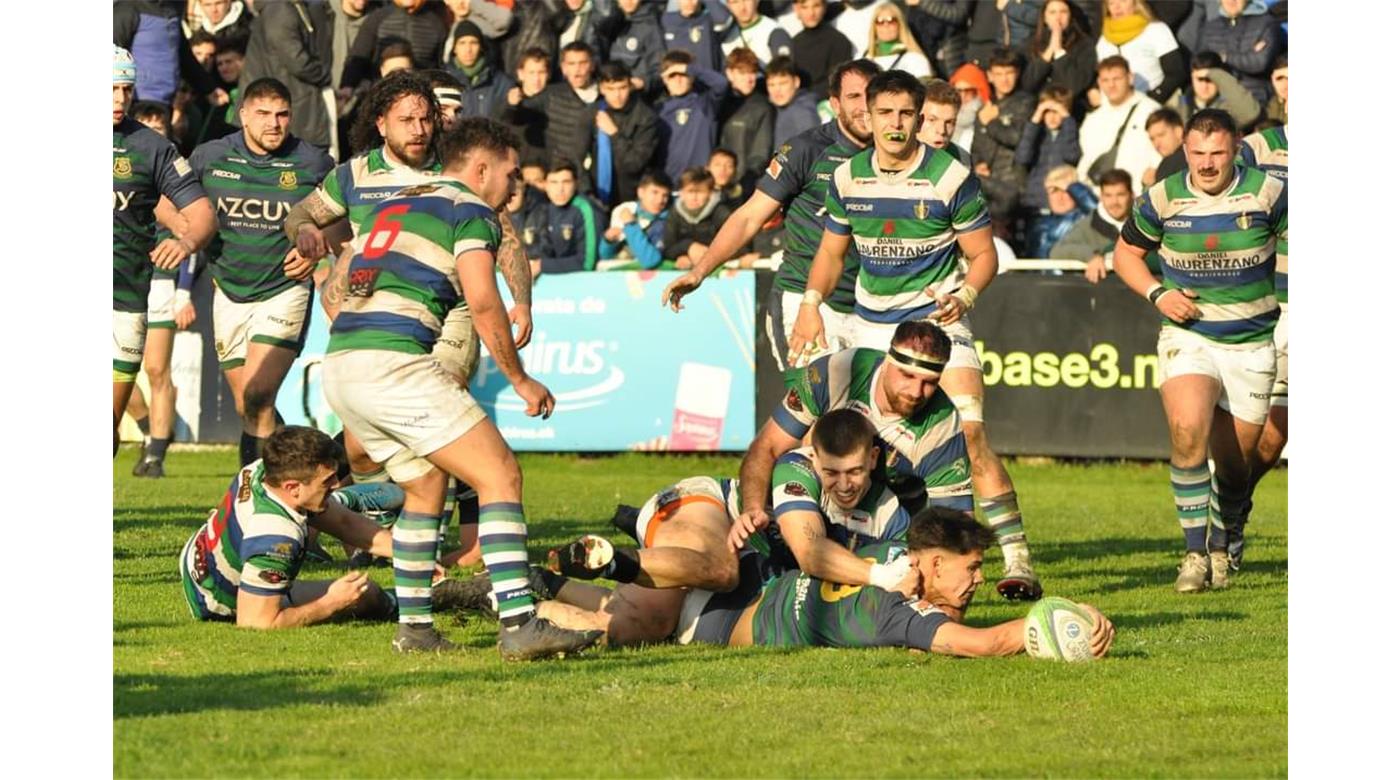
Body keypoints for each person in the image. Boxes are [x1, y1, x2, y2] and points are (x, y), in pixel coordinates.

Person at [320, 116, 602, 658]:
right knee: (500, 474)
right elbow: (483, 299)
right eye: (511, 174)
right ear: (481, 168)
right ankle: (520, 624)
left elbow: (340, 284)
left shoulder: (395, 202)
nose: (514, 189)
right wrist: (519, 378)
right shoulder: (470, 209)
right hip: (395, 363)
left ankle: (415, 630)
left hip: (342, 361)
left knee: (426, 487)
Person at [788, 72, 1043, 600]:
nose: (896, 124)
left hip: (937, 325)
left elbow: (983, 254)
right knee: (841, 442)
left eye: (906, 113)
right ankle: (830, 552)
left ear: (919, 117)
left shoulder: (950, 177)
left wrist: (965, 296)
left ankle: (1017, 558)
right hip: (872, 328)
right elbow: (831, 253)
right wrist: (811, 304)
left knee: (968, 434)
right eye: (885, 113)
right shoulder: (848, 177)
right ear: (869, 116)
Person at [537, 506, 1116, 658]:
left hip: (751, 571)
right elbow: (985, 643)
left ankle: (533, 581)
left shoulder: (891, 553)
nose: (980, 579)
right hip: (716, 621)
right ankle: (524, 604)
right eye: (973, 567)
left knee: (631, 604)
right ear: (935, 564)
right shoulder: (901, 615)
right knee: (618, 626)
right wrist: (1059, 623)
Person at [1108, 109, 1286, 593]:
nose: (1207, 164)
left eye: (1218, 153)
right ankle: (1194, 554)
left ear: (1236, 150)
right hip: (1189, 335)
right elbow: (1125, 254)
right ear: (1185, 150)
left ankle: (1225, 537)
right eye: (1198, 153)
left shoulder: (1269, 192)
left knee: (1235, 467)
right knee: (1187, 431)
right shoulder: (1162, 197)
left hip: (1252, 344)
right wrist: (1157, 293)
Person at [662, 59, 882, 373]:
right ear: (835, 104)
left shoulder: (895, 155)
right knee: (817, 401)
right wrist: (700, 271)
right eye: (854, 97)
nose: (864, 106)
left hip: (871, 307)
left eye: (871, 95)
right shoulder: (807, 150)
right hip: (804, 299)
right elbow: (749, 217)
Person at [189, 78, 336, 468]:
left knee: (258, 396)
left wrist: (318, 250)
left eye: (282, 114)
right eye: (264, 114)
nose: (274, 123)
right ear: (243, 115)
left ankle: (256, 492)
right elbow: (178, 204)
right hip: (228, 291)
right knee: (249, 406)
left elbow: (342, 222)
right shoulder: (209, 157)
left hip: (284, 288)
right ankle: (318, 468)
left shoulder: (313, 162)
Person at [179, 426, 401, 627]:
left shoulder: (262, 470)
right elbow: (254, 622)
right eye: (328, 480)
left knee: (324, 505)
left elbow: (345, 523)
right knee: (365, 594)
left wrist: (411, 554)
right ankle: (403, 605)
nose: (336, 483)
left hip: (199, 561)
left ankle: (345, 501)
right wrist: (332, 602)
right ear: (292, 487)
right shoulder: (276, 538)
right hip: (215, 600)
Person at [113, 46, 216, 457]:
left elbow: (202, 213)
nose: (120, 99)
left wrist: (185, 242)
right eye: (110, 89)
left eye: (126, 89)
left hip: (125, 300)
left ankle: (152, 447)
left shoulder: (151, 147)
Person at [1235, 121, 1287, 570]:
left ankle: (1230, 511)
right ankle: (1229, 515)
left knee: (1280, 430)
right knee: (1264, 434)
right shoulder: (1260, 148)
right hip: (1273, 302)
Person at [238, 0, 336, 155]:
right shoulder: (279, 9)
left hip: (290, 101)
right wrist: (326, 77)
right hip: (289, 103)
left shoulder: (292, 6)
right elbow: (296, 60)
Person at [515, 42, 602, 192]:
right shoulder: (551, 94)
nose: (577, 70)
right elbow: (517, 117)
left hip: (597, 181)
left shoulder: (607, 96)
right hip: (558, 182)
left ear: (592, 65)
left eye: (583, 63)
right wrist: (511, 105)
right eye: (572, 64)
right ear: (563, 67)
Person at [970, 48, 1035, 230]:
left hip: (1012, 185)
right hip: (986, 183)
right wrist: (978, 163)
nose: (1004, 79)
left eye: (1009, 73)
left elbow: (1016, 138)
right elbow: (975, 147)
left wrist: (991, 122)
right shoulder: (986, 107)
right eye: (999, 74)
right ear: (990, 76)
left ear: (1017, 73)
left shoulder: (1025, 102)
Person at [1076, 56, 1160, 189]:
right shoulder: (1092, 120)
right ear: (1099, 82)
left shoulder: (1151, 111)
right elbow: (1087, 160)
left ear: (1130, 78)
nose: (1111, 85)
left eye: (1117, 79)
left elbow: (1162, 154)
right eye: (1105, 80)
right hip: (1100, 196)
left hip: (1139, 193)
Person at [340, 0, 452, 91]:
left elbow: (440, 66)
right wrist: (347, 86)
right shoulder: (376, 19)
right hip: (379, 93)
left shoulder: (437, 25)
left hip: (421, 94)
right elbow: (358, 57)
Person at [595, 62, 662, 210]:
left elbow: (634, 163)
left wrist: (613, 133)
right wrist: (588, 194)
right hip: (597, 197)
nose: (617, 95)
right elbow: (577, 155)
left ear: (631, 86)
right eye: (611, 89)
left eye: (622, 88)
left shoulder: (646, 117)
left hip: (632, 197)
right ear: (601, 89)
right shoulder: (593, 113)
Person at [657, 50, 730, 184]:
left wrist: (688, 68)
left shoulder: (705, 104)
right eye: (673, 76)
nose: (678, 80)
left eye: (683, 75)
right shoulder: (659, 110)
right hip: (668, 183)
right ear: (665, 80)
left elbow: (722, 84)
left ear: (692, 77)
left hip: (701, 183)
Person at [1094, 0, 1185, 107]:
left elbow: (1175, 73)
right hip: (1115, 109)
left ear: (1135, 3)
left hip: (1156, 103)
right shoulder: (1103, 41)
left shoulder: (1156, 30)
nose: (1117, 7)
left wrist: (1150, 100)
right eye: (1111, 3)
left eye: (1123, 1)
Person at [1049, 167, 1133, 282]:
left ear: (1132, 195)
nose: (1114, 202)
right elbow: (1057, 251)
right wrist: (1093, 256)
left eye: (1120, 195)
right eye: (1108, 195)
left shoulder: (1144, 221)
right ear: (1101, 196)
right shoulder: (1088, 224)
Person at [522, 161, 606, 274]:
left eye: (566, 182)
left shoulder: (585, 209)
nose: (560, 189)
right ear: (545, 185)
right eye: (554, 182)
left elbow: (587, 262)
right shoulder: (540, 208)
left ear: (576, 183)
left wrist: (542, 265)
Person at [1198, 0, 1283, 107]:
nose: (1231, 1)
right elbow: (1200, 64)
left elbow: (1260, 62)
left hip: (1256, 98)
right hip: (1218, 98)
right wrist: (1248, 54)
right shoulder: (1210, 28)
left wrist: (1224, 58)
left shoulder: (1266, 23)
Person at [1019, 0, 1097, 112]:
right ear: (1044, 18)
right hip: (1037, 108)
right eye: (1052, 12)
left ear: (1070, 16)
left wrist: (1059, 52)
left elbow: (1075, 85)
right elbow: (1027, 84)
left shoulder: (1084, 44)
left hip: (1071, 109)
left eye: (1063, 12)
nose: (1058, 17)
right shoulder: (1031, 43)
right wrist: (1050, 51)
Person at [717, 48, 776, 196]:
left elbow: (761, 152)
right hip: (713, 185)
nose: (750, 79)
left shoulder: (762, 107)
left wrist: (744, 183)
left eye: (753, 73)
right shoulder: (717, 102)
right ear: (730, 73)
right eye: (743, 73)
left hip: (742, 185)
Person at [1015, 85, 1081, 216]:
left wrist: (1068, 121)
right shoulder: (1037, 133)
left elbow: (1071, 156)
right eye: (1047, 112)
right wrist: (1034, 122)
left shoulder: (1070, 131)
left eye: (1056, 112)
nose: (1052, 117)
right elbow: (1022, 157)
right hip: (1035, 200)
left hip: (1061, 201)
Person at [663, 167, 739, 268]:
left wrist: (707, 255)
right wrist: (686, 249)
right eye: (690, 191)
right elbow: (667, 249)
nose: (694, 198)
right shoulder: (674, 213)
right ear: (681, 192)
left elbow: (736, 243)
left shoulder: (721, 212)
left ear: (710, 193)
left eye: (700, 192)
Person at [1169, 52, 1261, 129]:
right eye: (1200, 79)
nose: (1204, 86)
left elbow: (1250, 114)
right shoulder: (1180, 106)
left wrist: (1213, 73)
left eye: (1210, 80)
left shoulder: (1229, 108)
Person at [1023, 164, 1096, 259]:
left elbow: (1099, 213)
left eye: (1066, 191)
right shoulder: (1037, 222)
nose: (1060, 197)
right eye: (1054, 191)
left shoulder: (1085, 219)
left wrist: (1071, 186)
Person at [601, 170, 672, 267]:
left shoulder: (667, 223)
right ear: (641, 192)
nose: (660, 200)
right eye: (655, 192)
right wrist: (608, 241)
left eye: (665, 195)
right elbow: (605, 256)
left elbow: (650, 260)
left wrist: (631, 225)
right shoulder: (626, 210)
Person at [448, 21, 512, 121]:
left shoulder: (499, 82)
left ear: (481, 47)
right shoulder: (444, 80)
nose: (468, 49)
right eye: (462, 43)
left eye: (473, 43)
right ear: (454, 48)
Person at [605, 0, 667, 98]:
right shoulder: (608, 24)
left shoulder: (650, 25)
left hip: (641, 96)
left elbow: (660, 67)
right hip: (612, 94)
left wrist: (643, 82)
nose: (628, 1)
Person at [790, 0, 853, 96]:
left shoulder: (838, 41)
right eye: (804, 7)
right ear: (796, 9)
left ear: (824, 7)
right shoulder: (794, 43)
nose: (811, 13)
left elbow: (838, 81)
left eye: (816, 6)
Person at [864, 2, 933, 79]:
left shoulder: (916, 59)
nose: (886, 25)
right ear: (874, 27)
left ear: (900, 24)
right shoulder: (865, 59)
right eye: (880, 21)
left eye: (891, 20)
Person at [766, 56, 821, 152]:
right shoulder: (772, 109)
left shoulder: (803, 112)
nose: (777, 90)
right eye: (771, 85)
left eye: (783, 83)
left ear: (796, 82)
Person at [719, 0, 794, 68]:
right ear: (728, 5)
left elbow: (784, 71)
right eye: (735, 2)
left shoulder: (773, 30)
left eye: (746, 1)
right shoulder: (725, 37)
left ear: (757, 1)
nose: (742, 8)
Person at [917, 78, 971, 165]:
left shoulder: (962, 160)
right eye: (932, 120)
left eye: (949, 122)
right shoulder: (894, 157)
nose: (942, 130)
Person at [663, 0, 725, 74]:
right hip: (678, 78)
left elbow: (725, 21)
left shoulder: (709, 20)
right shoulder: (666, 21)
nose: (689, 2)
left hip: (708, 78)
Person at [1141, 107, 1186, 189]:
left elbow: (1149, 200)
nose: (1156, 144)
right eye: (1152, 139)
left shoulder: (1170, 163)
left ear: (1178, 131)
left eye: (1161, 135)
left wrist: (1148, 187)